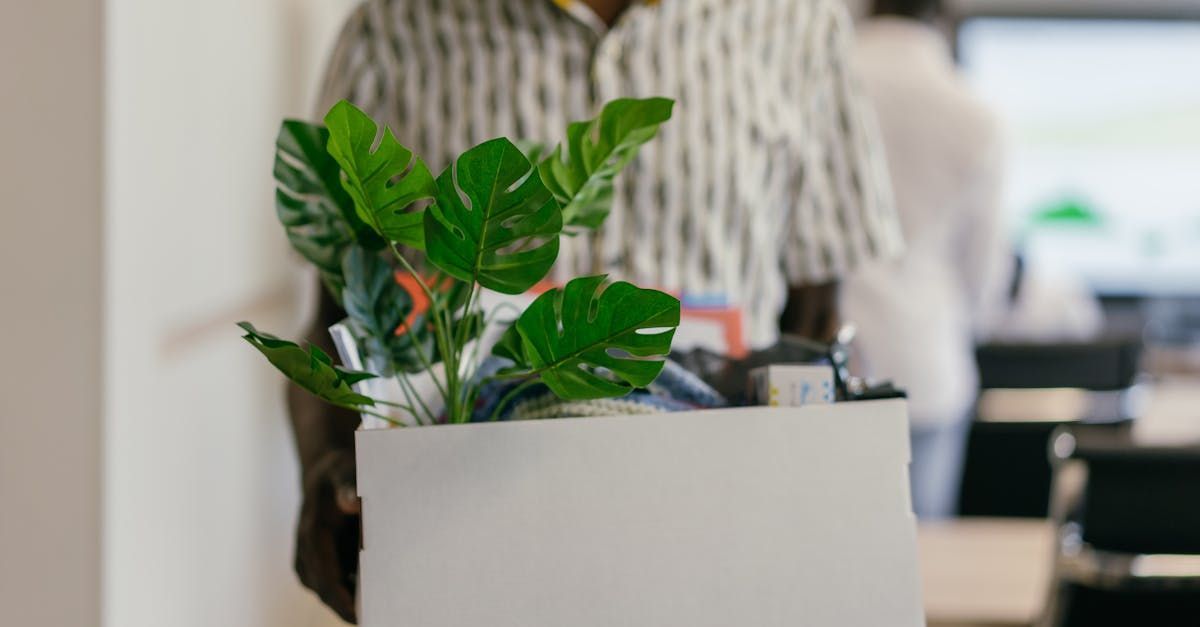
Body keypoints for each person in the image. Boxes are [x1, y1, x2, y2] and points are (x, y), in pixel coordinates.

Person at [290, 0, 904, 621]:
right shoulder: (397, 26)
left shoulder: (798, 24)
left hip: (718, 553)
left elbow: (817, 321)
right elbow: (340, 311)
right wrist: (327, 468)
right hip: (476, 554)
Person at [840, 0, 1011, 519]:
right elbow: (984, 276)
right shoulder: (974, 111)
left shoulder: (825, 83)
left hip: (829, 362)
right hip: (927, 363)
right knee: (927, 570)